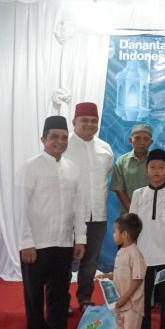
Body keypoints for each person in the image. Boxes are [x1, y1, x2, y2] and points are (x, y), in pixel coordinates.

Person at [17, 116, 86, 329]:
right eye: (54, 137)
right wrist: (26, 242)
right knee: (34, 290)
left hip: (63, 240)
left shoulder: (72, 169)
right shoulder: (30, 167)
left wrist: (80, 238)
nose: (60, 141)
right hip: (37, 242)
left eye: (64, 137)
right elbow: (20, 207)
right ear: (43, 139)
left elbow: (79, 206)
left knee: (59, 288)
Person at [129, 149, 165, 329]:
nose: (156, 171)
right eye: (152, 167)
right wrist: (132, 253)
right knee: (142, 296)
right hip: (143, 255)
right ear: (146, 170)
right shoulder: (138, 194)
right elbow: (132, 226)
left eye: (161, 167)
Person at [64, 102, 113, 310]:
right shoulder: (64, 145)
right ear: (74, 121)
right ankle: (61, 300)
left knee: (90, 260)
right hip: (69, 215)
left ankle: (84, 299)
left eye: (94, 121)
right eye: (84, 120)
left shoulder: (105, 148)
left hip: (97, 215)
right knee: (65, 260)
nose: (89, 124)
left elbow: (105, 176)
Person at [101, 213, 146, 329]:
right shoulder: (121, 252)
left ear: (125, 234)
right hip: (120, 302)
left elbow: (138, 279)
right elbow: (121, 273)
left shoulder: (135, 253)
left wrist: (126, 297)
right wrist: (109, 276)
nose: (113, 234)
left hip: (132, 303)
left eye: (115, 231)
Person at [111, 124, 154, 215]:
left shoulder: (156, 161)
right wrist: (132, 210)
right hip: (129, 214)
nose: (141, 142)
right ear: (130, 140)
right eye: (137, 138)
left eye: (146, 139)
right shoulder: (122, 161)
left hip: (154, 213)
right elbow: (119, 189)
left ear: (151, 142)